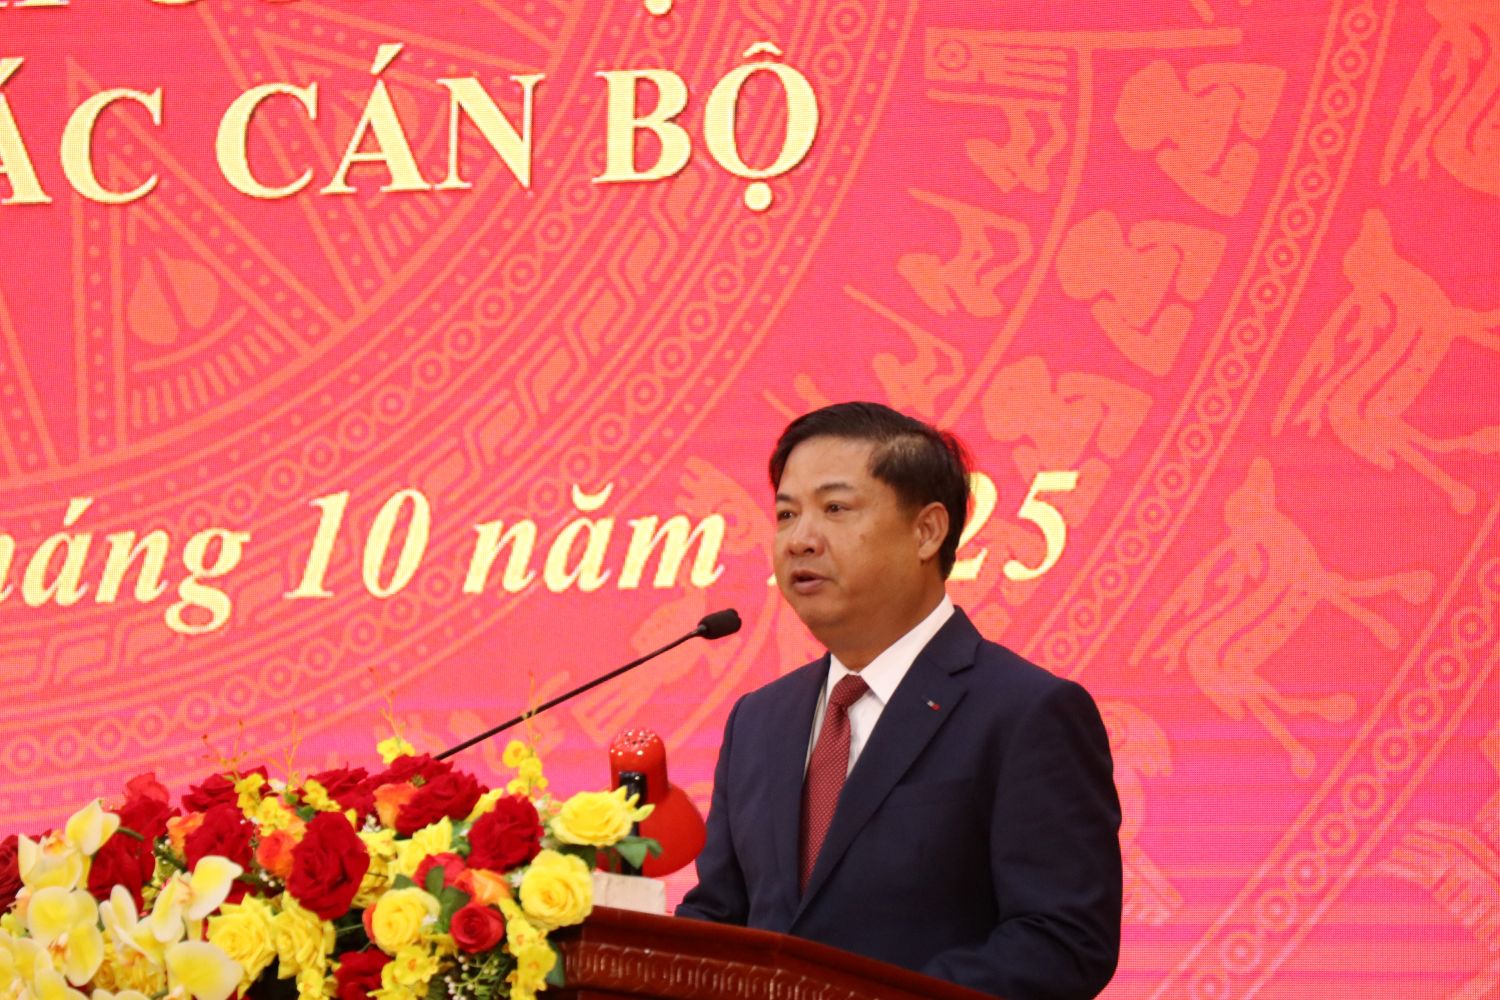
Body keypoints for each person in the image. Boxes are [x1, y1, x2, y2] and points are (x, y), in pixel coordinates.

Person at [677, 402, 1122, 999]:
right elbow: (719, 919)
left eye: (836, 508)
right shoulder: (759, 720)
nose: (800, 539)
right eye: (786, 514)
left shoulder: (1026, 713)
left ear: (927, 531)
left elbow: (1063, 941)